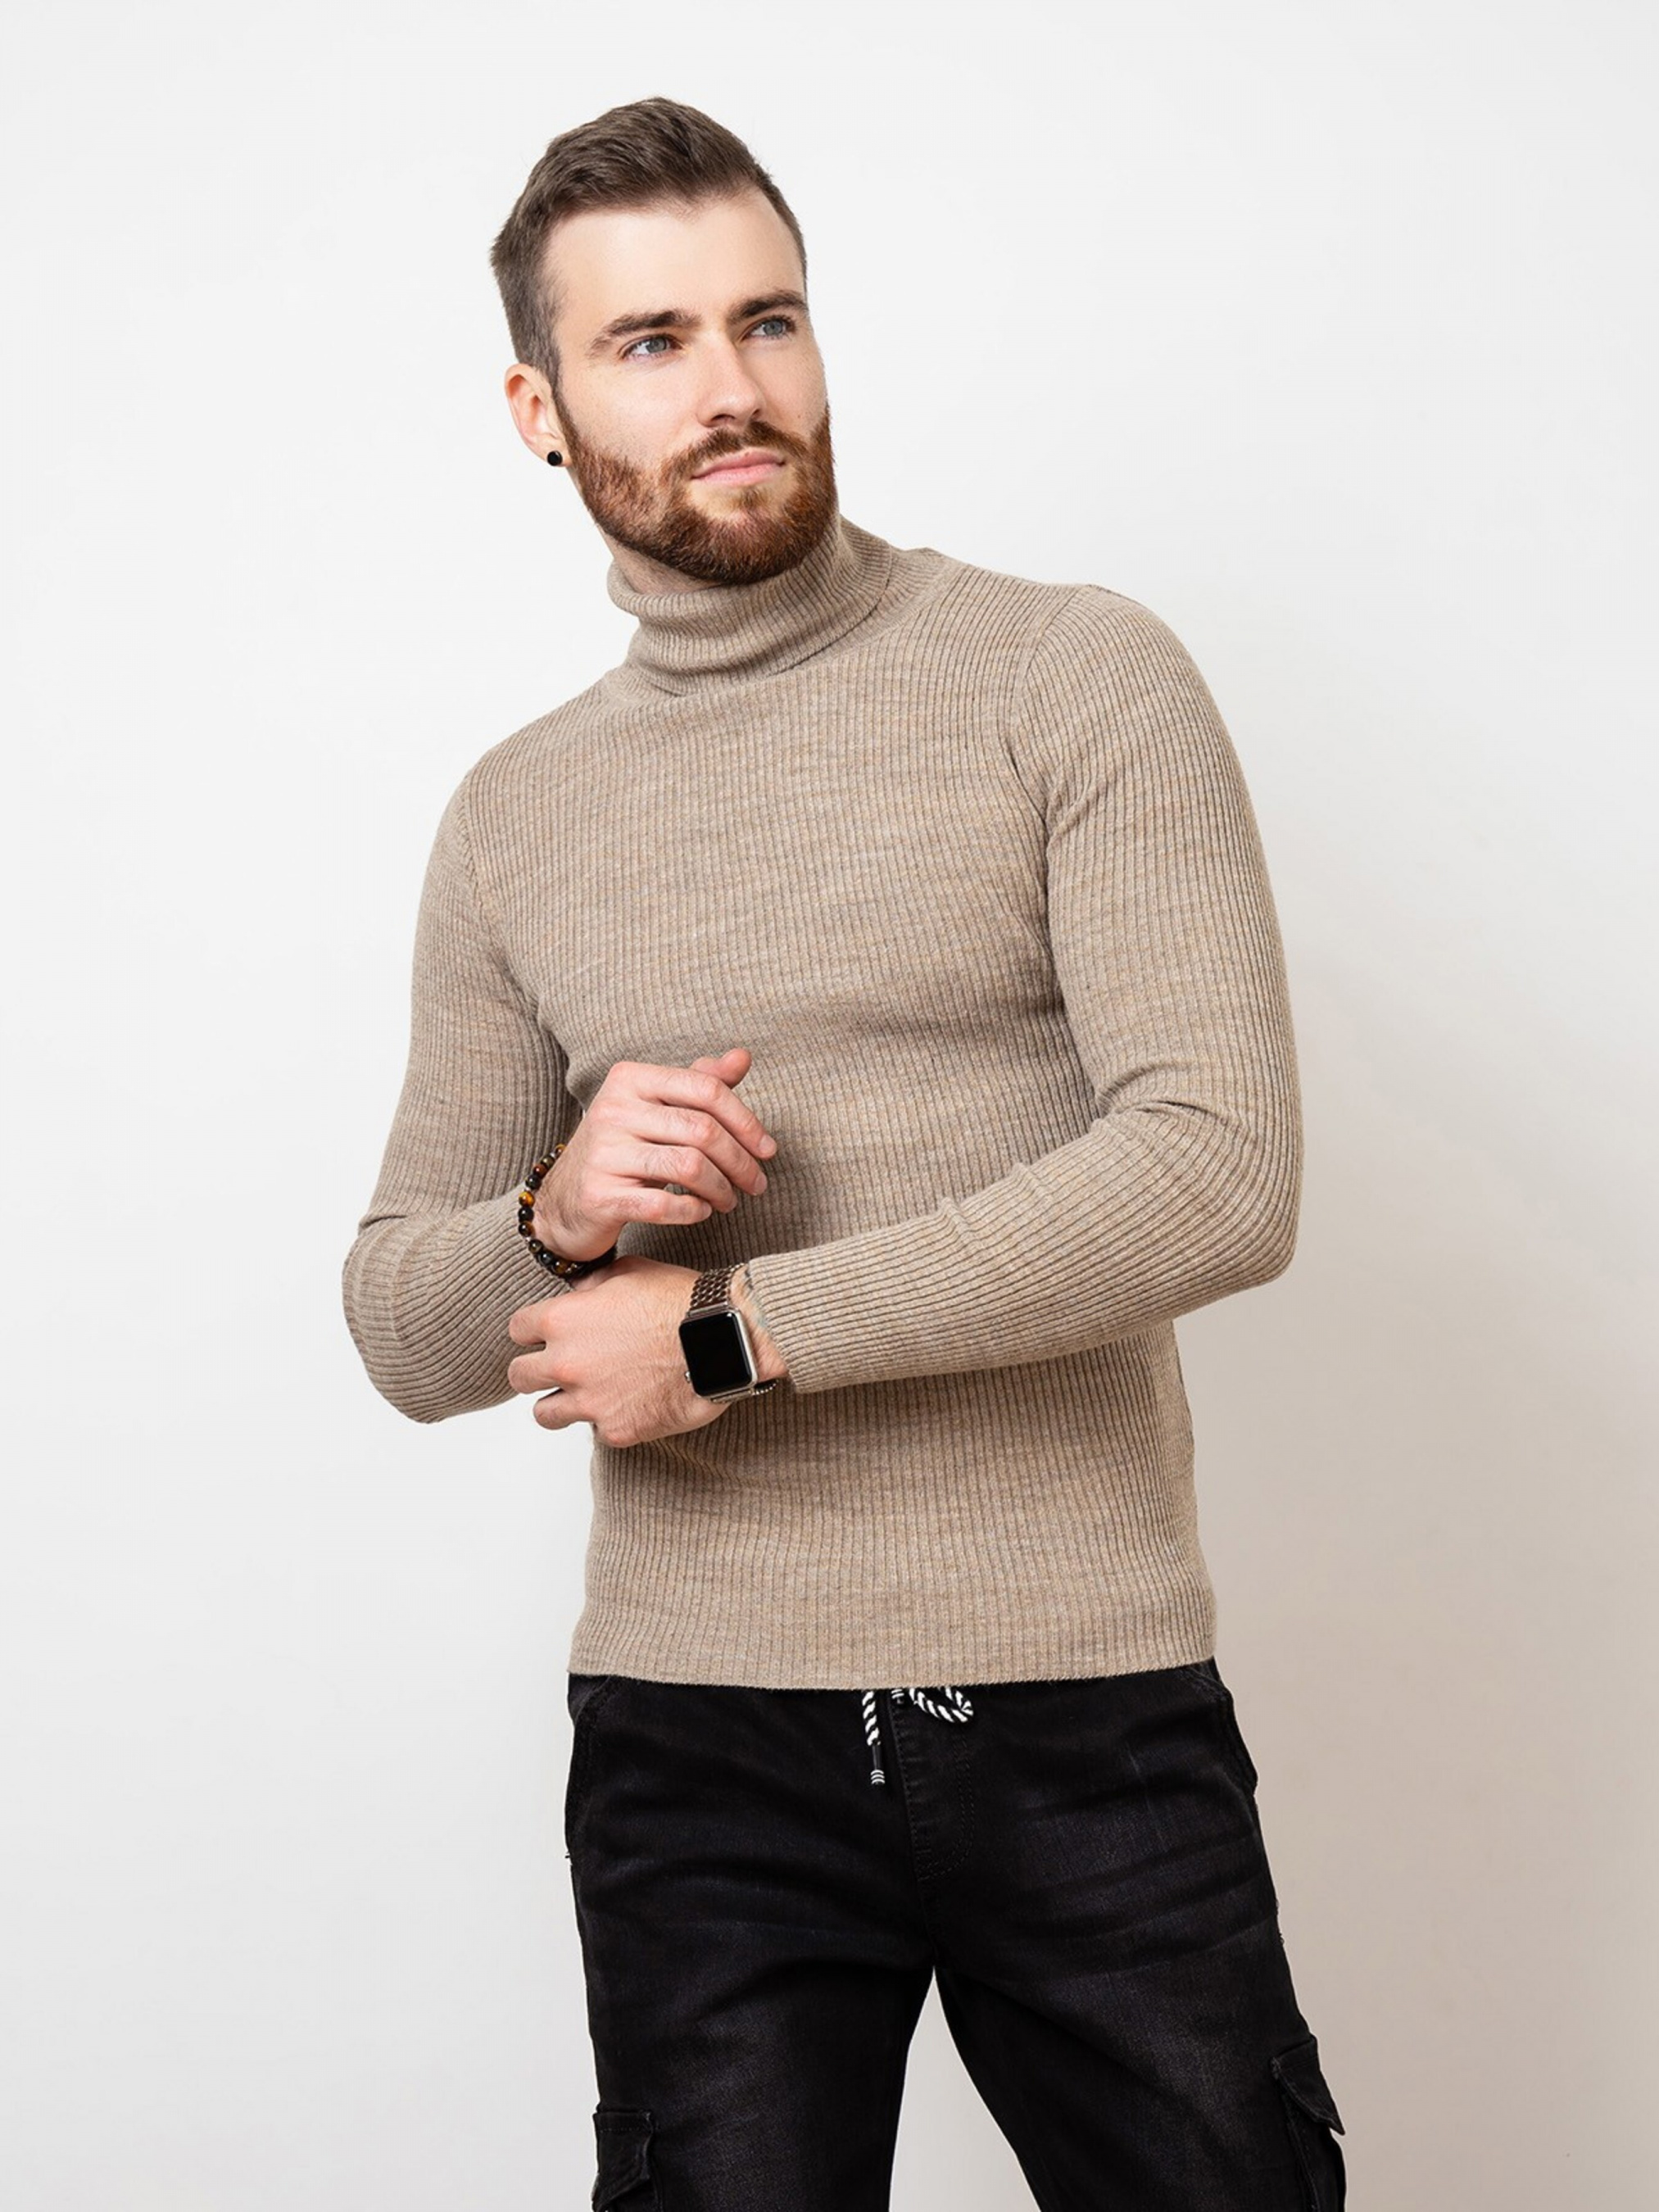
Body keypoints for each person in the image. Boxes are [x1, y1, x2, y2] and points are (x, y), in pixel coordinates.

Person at [342, 94, 1348, 2212]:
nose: (730, 386)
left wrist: (725, 1332)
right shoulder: (514, 816)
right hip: (695, 1739)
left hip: (1080, 1694)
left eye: (766, 319)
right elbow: (404, 1328)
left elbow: (1216, 1166)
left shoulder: (1068, 673)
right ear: (536, 407)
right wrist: (554, 1210)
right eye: (648, 342)